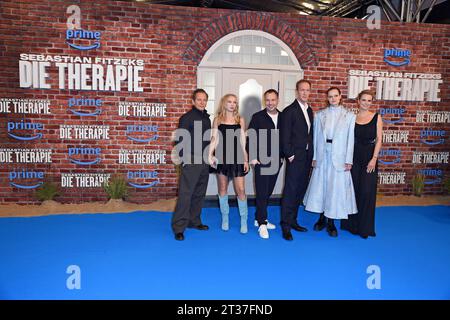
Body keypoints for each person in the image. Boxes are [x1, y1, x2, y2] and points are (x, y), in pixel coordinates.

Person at [303, 87, 357, 237]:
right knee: (321, 187)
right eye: (330, 96)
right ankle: (321, 218)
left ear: (340, 97)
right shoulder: (320, 115)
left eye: (335, 96)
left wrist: (348, 159)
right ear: (327, 98)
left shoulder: (349, 116)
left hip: (339, 157)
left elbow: (350, 140)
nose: (333, 99)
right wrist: (314, 157)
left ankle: (331, 222)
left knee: (335, 189)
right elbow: (315, 138)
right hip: (322, 154)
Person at [341, 90, 382, 239]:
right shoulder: (352, 117)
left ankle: (365, 227)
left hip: (369, 158)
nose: (366, 103)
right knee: (353, 191)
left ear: (372, 102)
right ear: (358, 101)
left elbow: (379, 140)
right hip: (354, 157)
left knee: (366, 192)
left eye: (369, 100)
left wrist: (374, 158)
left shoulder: (376, 117)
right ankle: (351, 225)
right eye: (363, 100)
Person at [171, 89, 211, 241]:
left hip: (204, 161)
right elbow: (179, 140)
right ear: (193, 101)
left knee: (199, 194)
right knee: (185, 194)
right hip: (191, 160)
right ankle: (179, 227)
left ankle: (194, 221)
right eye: (199, 99)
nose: (202, 102)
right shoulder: (186, 118)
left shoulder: (207, 119)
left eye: (204, 100)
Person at [209, 94, 249, 233]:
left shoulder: (240, 120)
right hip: (222, 158)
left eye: (235, 102)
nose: (232, 104)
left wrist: (245, 159)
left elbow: (243, 142)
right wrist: (210, 155)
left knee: (241, 190)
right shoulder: (217, 120)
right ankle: (225, 218)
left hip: (237, 158)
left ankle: (244, 220)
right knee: (222, 189)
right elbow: (214, 139)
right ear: (224, 103)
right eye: (230, 102)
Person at [279, 80, 314, 241]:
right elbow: (284, 136)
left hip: (307, 157)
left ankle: (293, 220)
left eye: (307, 90)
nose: (305, 93)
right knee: (290, 191)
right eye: (302, 90)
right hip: (295, 157)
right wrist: (290, 154)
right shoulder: (289, 111)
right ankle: (285, 226)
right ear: (297, 91)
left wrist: (312, 155)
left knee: (300, 189)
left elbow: (310, 135)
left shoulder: (310, 110)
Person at [247, 89, 282, 239]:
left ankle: (258, 218)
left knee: (268, 191)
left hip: (277, 160)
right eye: (267, 100)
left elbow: (285, 138)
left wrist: (283, 157)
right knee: (261, 192)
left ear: (277, 100)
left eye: (273, 100)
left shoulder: (283, 117)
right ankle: (262, 223)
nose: (270, 103)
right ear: (264, 101)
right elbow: (251, 138)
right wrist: (253, 157)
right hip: (261, 160)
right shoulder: (258, 117)